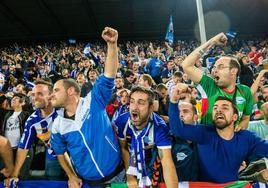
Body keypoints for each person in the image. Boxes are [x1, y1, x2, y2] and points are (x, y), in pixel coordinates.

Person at [50, 27, 122, 187]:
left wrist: (112, 45)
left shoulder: (93, 101)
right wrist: (71, 176)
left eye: (55, 90)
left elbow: (109, 75)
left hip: (117, 175)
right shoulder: (57, 125)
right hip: (87, 182)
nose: (51, 95)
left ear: (70, 91)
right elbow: (60, 152)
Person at [168, 83, 268, 183]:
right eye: (215, 108)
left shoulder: (247, 138)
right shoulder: (204, 133)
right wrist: (174, 100)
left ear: (235, 117)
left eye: (225, 108)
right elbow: (177, 129)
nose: (218, 110)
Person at [181, 33, 253, 131]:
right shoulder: (209, 85)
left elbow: (246, 118)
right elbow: (186, 65)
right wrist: (212, 42)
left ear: (233, 71)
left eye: (220, 67)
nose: (214, 70)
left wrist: (240, 128)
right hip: (208, 142)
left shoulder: (245, 91)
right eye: (214, 67)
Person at [4, 79, 64, 188]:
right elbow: (23, 147)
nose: (34, 98)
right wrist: (14, 174)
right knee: (54, 181)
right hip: (53, 156)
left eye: (40, 94)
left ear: (51, 95)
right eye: (33, 94)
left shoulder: (64, 111)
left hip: (75, 155)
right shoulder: (32, 121)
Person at [115, 86, 178, 188]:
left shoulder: (160, 127)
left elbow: (166, 162)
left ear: (151, 108)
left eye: (141, 103)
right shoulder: (121, 122)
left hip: (151, 161)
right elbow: (124, 148)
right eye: (132, 101)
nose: (134, 107)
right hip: (129, 159)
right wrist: (130, 175)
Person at [172, 101, 199, 181]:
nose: (180, 115)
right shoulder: (169, 140)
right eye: (178, 112)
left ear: (195, 117)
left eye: (185, 111)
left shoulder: (205, 138)